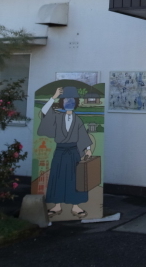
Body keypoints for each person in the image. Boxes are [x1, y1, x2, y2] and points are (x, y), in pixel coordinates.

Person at [38, 86, 93, 219]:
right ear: (62, 102)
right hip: (60, 151)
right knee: (58, 177)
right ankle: (57, 205)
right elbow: (44, 111)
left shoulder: (78, 119)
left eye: (72, 100)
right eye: (67, 100)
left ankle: (75, 205)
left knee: (75, 178)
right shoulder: (57, 117)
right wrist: (54, 96)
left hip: (73, 151)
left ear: (76, 102)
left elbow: (82, 135)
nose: (70, 102)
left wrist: (88, 149)